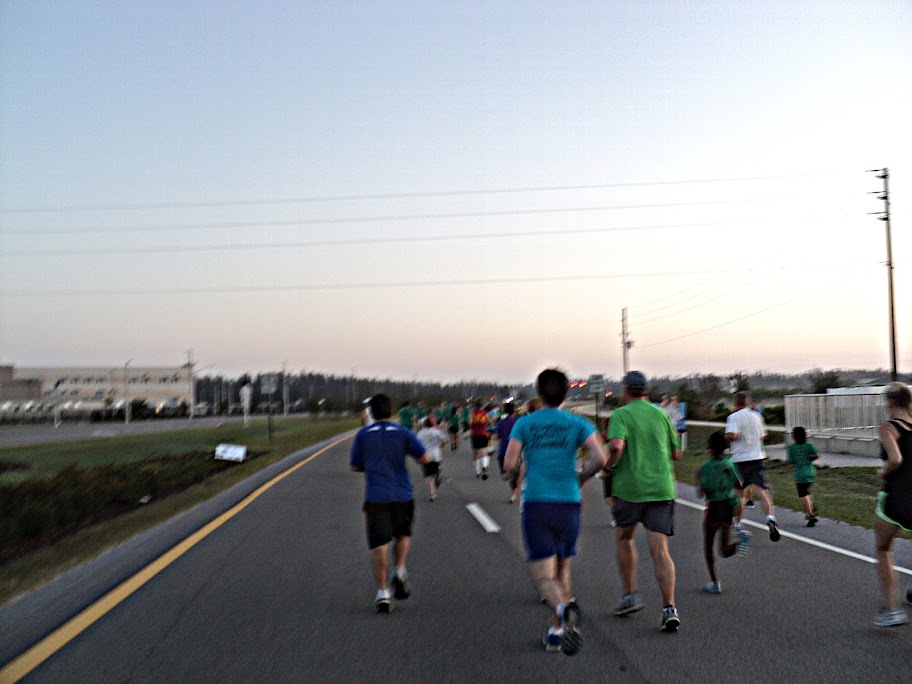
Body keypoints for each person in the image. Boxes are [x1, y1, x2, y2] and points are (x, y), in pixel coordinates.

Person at [503, 368, 606, 655]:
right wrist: (582, 476)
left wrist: (510, 473)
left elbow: (510, 464)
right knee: (563, 567)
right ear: (565, 393)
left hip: (537, 502)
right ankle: (557, 631)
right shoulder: (578, 423)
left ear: (539, 393)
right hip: (569, 502)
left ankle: (561, 610)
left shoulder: (525, 423)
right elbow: (601, 458)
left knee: (543, 577)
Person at [606, 370, 682, 632]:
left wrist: (609, 467)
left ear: (625, 390)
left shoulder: (621, 415)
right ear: (646, 391)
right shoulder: (661, 415)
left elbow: (616, 446)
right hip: (661, 488)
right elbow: (676, 453)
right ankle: (669, 608)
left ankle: (630, 595)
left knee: (624, 538)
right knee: (660, 549)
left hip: (629, 489)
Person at [350, 394, 430, 613]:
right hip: (402, 494)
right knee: (402, 535)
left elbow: (355, 466)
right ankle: (400, 569)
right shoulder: (403, 432)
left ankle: (383, 592)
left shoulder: (364, 434)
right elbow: (424, 458)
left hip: (376, 496)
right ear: (391, 410)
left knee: (379, 545)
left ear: (371, 413)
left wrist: (373, 466)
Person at [873, 382, 912, 628]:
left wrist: (883, 470)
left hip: (897, 497)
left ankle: (892, 610)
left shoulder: (888, 427)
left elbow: (895, 458)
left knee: (883, 548)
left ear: (890, 402)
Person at [697, 431, 748, 594]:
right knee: (724, 549)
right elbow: (739, 483)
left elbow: (701, 493)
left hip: (714, 507)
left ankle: (714, 583)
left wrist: (701, 482)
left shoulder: (705, 468)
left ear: (710, 448)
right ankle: (740, 543)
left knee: (708, 545)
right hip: (728, 507)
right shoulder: (729, 464)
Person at [725, 392, 780, 542]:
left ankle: (737, 524)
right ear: (747, 402)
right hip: (757, 457)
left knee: (739, 494)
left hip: (740, 460)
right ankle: (770, 518)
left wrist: (727, 437)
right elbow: (763, 436)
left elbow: (733, 435)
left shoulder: (733, 417)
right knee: (762, 491)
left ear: (735, 403)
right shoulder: (757, 416)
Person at [786, 426, 819, 527]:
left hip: (799, 473)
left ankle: (810, 514)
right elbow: (817, 455)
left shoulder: (792, 448)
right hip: (810, 471)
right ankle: (811, 508)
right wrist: (809, 459)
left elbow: (790, 461)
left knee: (802, 493)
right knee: (806, 491)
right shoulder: (809, 445)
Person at [417, 416, 448, 501]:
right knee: (436, 470)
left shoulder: (420, 433)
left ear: (423, 424)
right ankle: (437, 478)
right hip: (436, 454)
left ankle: (432, 493)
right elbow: (445, 440)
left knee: (428, 475)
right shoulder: (436, 431)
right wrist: (440, 446)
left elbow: (417, 444)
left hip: (425, 455)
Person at [494, 401, 520, 502]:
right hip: (516, 450)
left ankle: (508, 474)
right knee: (515, 473)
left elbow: (496, 436)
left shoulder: (501, 422)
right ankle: (513, 494)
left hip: (504, 450)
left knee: (505, 474)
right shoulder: (518, 422)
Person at [470, 400, 492, 479]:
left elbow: (470, 423)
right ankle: (484, 466)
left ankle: (477, 471)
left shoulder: (473, 413)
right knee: (484, 451)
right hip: (483, 434)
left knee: (475, 453)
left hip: (475, 434)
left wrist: (474, 424)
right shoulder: (484, 413)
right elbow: (490, 422)